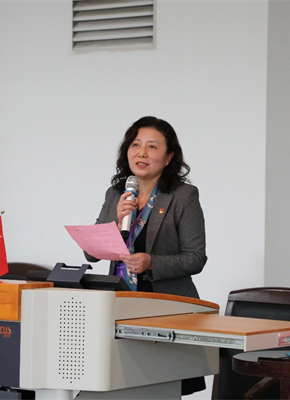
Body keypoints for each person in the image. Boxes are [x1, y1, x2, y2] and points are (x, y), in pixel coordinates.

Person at [85, 116, 207, 394]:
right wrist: (116, 222)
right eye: (135, 145)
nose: (141, 153)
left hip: (165, 309)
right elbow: (91, 253)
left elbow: (196, 257)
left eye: (152, 147)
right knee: (122, 386)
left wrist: (152, 262)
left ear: (168, 157)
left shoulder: (183, 196)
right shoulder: (116, 194)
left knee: (162, 388)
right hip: (120, 307)